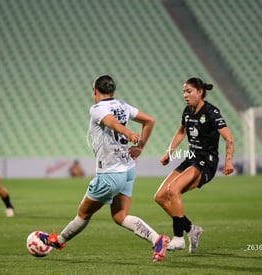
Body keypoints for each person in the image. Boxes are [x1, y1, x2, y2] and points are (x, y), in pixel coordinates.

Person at [39, 75, 169, 262]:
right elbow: (149, 121)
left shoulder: (98, 109)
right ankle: (157, 239)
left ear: (94, 91)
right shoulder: (123, 105)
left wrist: (129, 133)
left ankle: (58, 241)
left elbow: (111, 123)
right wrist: (140, 147)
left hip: (109, 174)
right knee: (120, 216)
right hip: (128, 170)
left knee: (83, 213)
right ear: (113, 91)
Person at [154, 77, 235, 253]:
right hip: (192, 157)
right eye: (184, 91)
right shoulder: (187, 111)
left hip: (207, 161)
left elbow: (229, 138)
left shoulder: (212, 112)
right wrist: (170, 151)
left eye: (189, 91)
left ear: (200, 92)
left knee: (173, 190)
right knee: (160, 197)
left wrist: (228, 161)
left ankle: (178, 238)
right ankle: (192, 229)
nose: (185, 95)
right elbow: (181, 132)